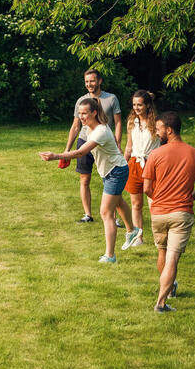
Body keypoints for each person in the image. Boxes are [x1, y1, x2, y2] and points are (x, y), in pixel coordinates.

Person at [41, 97, 139, 262]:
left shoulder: (100, 131)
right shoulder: (90, 129)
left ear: (94, 112)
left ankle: (110, 255)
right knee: (118, 201)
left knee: (106, 212)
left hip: (116, 171)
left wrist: (56, 156)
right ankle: (132, 231)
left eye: (85, 113)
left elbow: (80, 152)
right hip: (110, 171)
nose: (81, 117)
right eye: (79, 113)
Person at [142, 111, 195, 312]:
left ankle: (170, 288)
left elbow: (146, 188)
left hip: (158, 213)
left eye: (158, 129)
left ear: (169, 130)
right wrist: (189, 198)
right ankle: (161, 303)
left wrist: (160, 199)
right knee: (172, 256)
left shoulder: (155, 154)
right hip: (181, 213)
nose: (156, 132)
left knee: (162, 252)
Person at [63, 69, 124, 225]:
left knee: (109, 178)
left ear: (100, 81)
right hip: (85, 141)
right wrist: (67, 149)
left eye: (92, 81)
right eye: (86, 81)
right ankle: (88, 215)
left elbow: (117, 123)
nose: (89, 84)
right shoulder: (81, 101)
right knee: (85, 179)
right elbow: (75, 126)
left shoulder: (111, 98)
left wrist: (117, 143)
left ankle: (115, 217)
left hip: (103, 142)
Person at [122, 90, 161, 249]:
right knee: (136, 204)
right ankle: (139, 236)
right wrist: (122, 164)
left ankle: (159, 237)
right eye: (134, 105)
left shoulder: (157, 123)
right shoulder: (132, 121)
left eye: (139, 105)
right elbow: (129, 146)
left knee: (154, 203)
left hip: (151, 164)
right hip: (134, 164)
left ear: (148, 105)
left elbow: (164, 145)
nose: (136, 108)